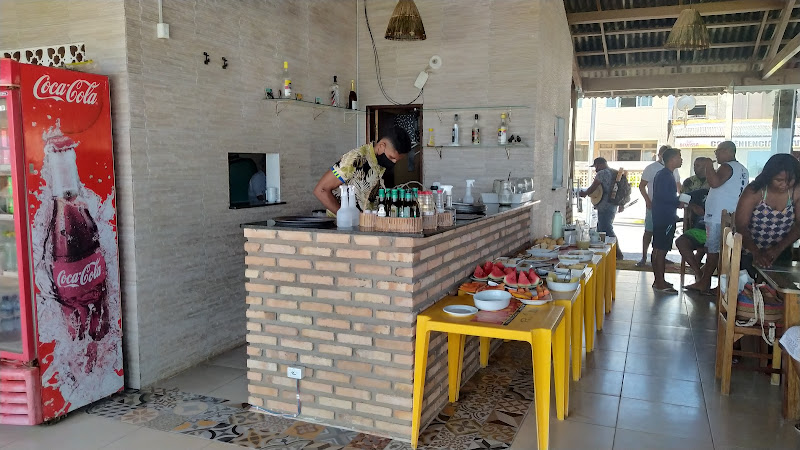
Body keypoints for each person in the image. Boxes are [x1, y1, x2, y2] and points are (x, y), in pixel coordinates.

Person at [685, 141, 749, 295]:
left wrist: (708, 166)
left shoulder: (727, 166)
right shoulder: (743, 169)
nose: (716, 154)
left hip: (718, 217)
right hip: (731, 214)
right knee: (723, 251)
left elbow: (714, 182)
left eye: (718, 151)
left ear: (727, 151)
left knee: (714, 251)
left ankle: (705, 282)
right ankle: (717, 284)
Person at [314, 125, 411, 214]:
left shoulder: (380, 164)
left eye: (397, 160)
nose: (394, 162)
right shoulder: (355, 158)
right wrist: (346, 216)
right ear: (381, 146)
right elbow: (321, 190)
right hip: (344, 224)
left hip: (366, 223)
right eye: (391, 157)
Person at [735, 153, 800, 272]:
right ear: (768, 176)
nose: (784, 184)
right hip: (748, 252)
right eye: (779, 180)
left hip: (782, 252)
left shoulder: (796, 192)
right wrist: (756, 252)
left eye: (790, 180)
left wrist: (777, 249)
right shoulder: (754, 192)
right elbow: (741, 226)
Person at [638, 145, 682, 267]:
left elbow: (678, 186)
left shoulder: (671, 172)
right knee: (650, 233)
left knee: (660, 244)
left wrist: (682, 198)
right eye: (678, 157)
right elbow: (644, 187)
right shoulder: (656, 170)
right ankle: (645, 258)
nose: (681, 160)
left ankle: (660, 261)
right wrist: (648, 201)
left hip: (665, 211)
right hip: (659, 210)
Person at [651, 148, 684, 292]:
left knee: (658, 248)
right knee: (661, 250)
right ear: (672, 159)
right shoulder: (665, 175)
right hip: (665, 217)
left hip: (662, 216)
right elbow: (664, 197)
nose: (681, 160)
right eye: (679, 157)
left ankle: (659, 280)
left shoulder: (664, 174)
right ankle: (660, 282)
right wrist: (678, 202)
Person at [579, 157, 624, 259]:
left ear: (599, 164)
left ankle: (617, 253)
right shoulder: (614, 172)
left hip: (604, 205)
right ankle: (605, 253)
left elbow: (594, 187)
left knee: (606, 229)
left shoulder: (602, 173)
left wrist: (585, 193)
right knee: (601, 229)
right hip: (613, 204)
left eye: (596, 166)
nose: (595, 169)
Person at [675, 157, 712, 274]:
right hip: (693, 219)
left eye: (699, 166)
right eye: (695, 165)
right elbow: (681, 200)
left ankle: (699, 268)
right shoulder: (689, 182)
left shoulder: (714, 181)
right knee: (685, 241)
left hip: (712, 220)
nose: (695, 168)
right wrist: (693, 206)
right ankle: (698, 271)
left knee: (710, 246)